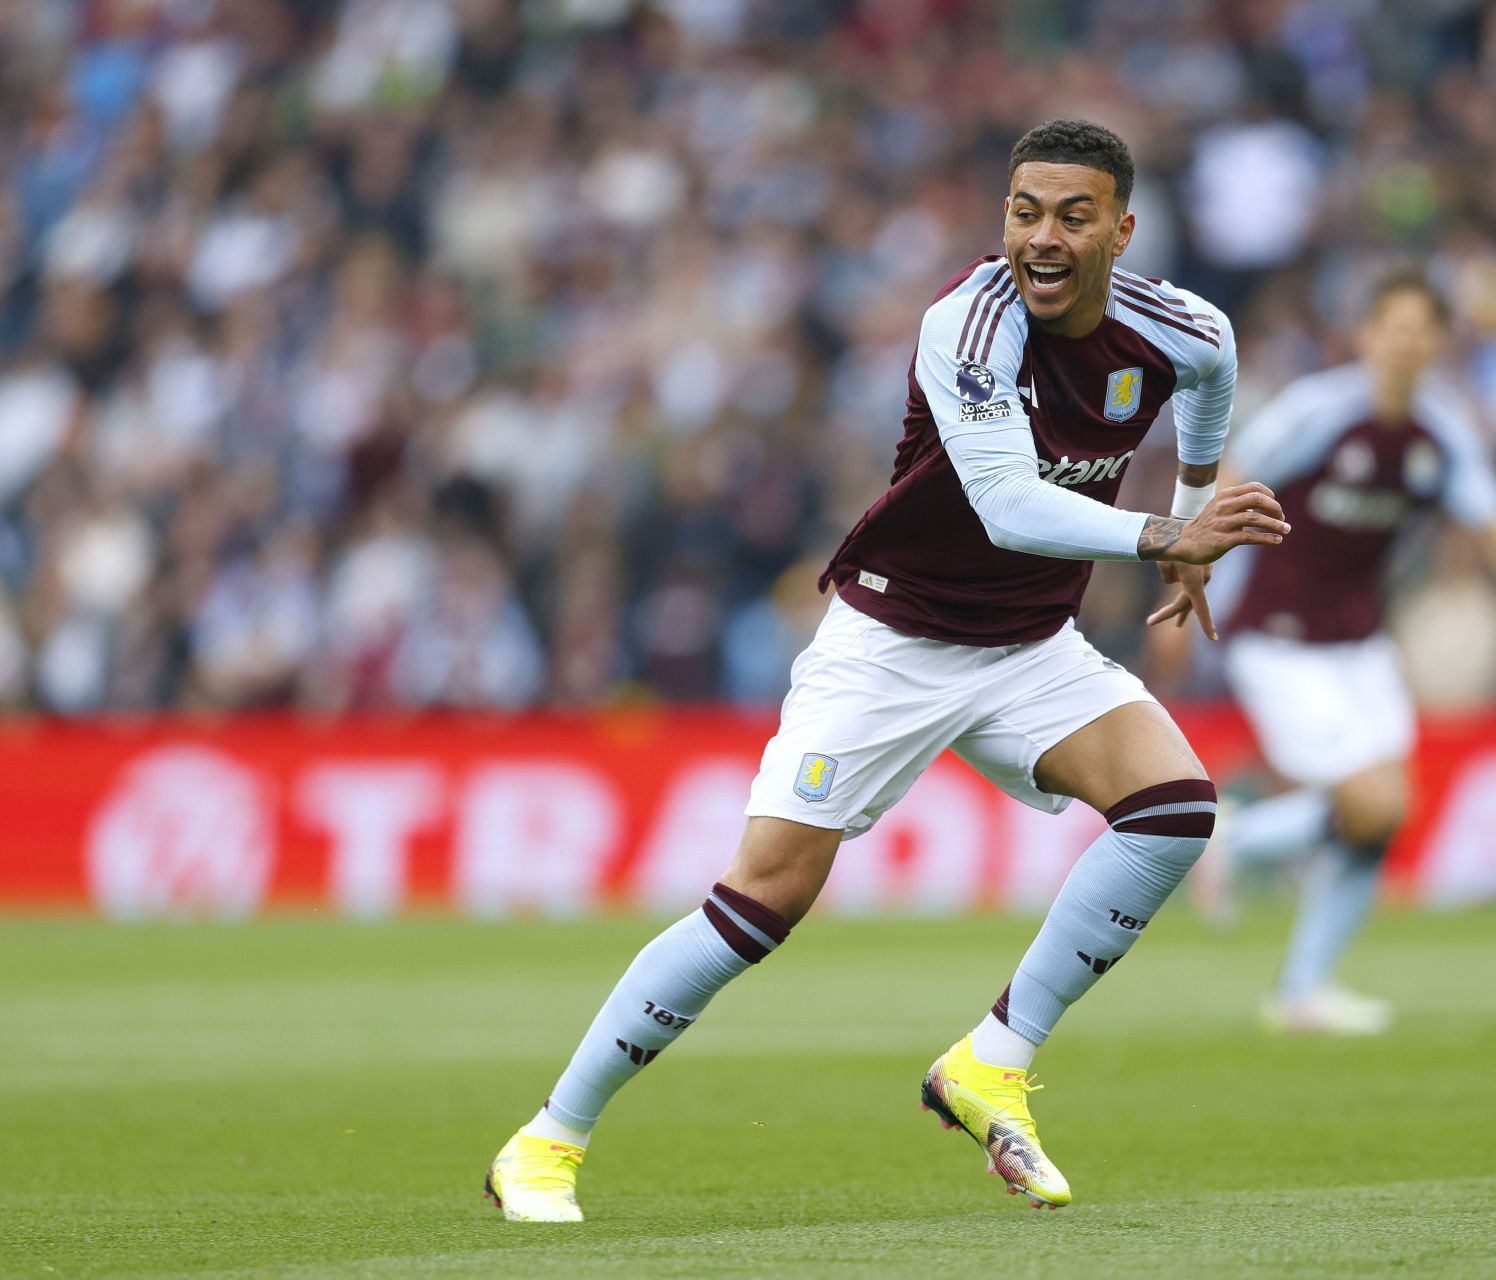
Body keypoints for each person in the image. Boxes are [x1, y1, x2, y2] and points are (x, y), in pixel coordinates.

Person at [483, 119, 1290, 1221]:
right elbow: (1007, 507)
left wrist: (1194, 519)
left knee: (1174, 808)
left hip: (1028, 649)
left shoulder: (1184, 326)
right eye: (1023, 212)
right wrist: (1165, 537)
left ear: (1122, 228)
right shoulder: (970, 321)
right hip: (892, 640)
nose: (1041, 239)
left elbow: (1211, 384)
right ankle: (547, 1138)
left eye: (1071, 215)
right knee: (765, 896)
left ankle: (993, 1058)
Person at [1197, 269, 1496, 1035]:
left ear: (1438, 342)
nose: (1406, 342)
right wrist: (1195, 562)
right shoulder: (1319, 411)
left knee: (1384, 816)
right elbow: (1232, 478)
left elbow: (1494, 514)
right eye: (1392, 326)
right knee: (1369, 800)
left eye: (1422, 329)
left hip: (1360, 643)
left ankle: (1301, 985)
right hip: (1278, 635)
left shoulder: (1441, 430)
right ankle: (1234, 842)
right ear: (1366, 334)